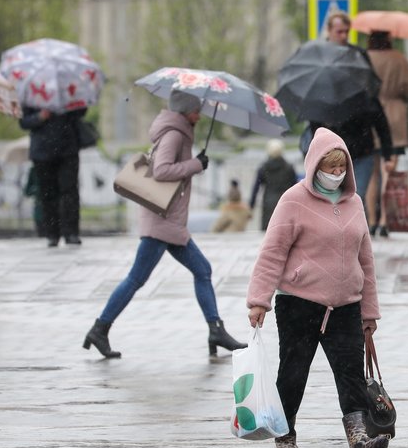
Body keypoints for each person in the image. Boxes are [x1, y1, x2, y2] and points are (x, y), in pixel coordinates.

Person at [247, 128, 391, 448]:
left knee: (351, 373)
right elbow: (273, 252)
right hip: (300, 304)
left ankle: (359, 439)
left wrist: (369, 311)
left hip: (346, 305)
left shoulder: (354, 202)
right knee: (293, 374)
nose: (336, 174)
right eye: (330, 167)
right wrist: (259, 299)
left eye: (342, 168)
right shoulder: (293, 200)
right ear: (315, 165)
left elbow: (365, 260)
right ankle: (285, 439)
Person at [82, 89, 246, 359]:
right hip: (162, 221)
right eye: (196, 110)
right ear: (184, 112)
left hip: (167, 221)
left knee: (202, 269)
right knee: (137, 278)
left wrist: (194, 162)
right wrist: (195, 164)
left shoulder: (177, 131)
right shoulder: (174, 134)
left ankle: (215, 330)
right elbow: (161, 171)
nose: (199, 115)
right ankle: (99, 329)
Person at [307, 11, 395, 223]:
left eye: (347, 31)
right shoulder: (318, 60)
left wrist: (387, 150)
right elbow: (313, 110)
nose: (344, 36)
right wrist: (317, 142)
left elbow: (376, 108)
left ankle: (354, 237)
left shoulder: (358, 57)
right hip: (331, 147)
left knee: (356, 197)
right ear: (329, 31)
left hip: (360, 142)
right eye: (339, 31)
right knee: (330, 199)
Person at [365, 30, 408, 237]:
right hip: (395, 116)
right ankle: (385, 219)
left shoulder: (365, 58)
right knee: (390, 169)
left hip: (370, 115)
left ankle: (371, 219)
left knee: (372, 172)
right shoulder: (399, 59)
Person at [18, 106, 85, 247]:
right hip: (42, 152)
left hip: (68, 149)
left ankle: (71, 232)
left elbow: (81, 111)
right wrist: (40, 116)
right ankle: (52, 234)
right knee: (47, 193)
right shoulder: (32, 93)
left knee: (70, 191)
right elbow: (24, 122)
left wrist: (68, 105)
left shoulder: (69, 88)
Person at [249, 139, 297, 231]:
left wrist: (251, 206)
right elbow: (295, 187)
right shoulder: (289, 168)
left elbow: (256, 188)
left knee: (266, 232)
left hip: (268, 203)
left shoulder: (263, 168)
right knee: (285, 231)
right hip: (285, 203)